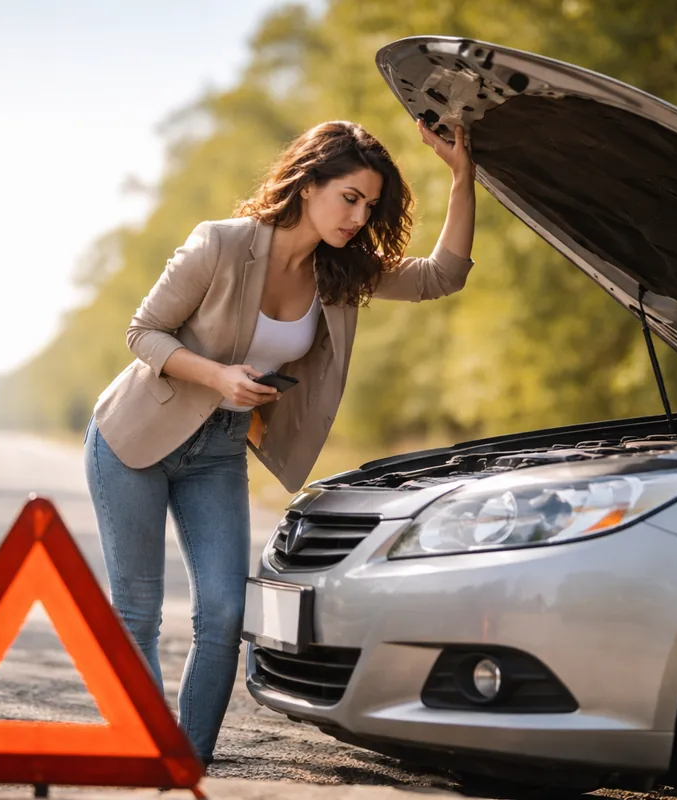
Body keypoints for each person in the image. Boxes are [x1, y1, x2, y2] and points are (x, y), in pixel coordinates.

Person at [82, 117, 476, 768]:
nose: (357, 217)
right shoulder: (220, 244)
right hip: (135, 437)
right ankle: (152, 758)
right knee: (138, 611)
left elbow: (443, 276)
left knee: (228, 611)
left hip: (217, 452)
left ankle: (189, 763)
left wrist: (463, 176)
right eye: (349, 197)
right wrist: (216, 376)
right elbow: (144, 333)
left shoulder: (343, 276)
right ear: (308, 183)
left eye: (369, 206)